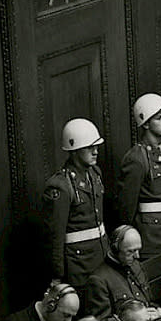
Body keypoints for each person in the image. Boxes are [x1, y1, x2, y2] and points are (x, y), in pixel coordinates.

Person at [115, 94, 161, 260]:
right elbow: (126, 207)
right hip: (153, 238)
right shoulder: (137, 158)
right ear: (145, 123)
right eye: (159, 118)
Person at [43, 118, 110, 287]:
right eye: (89, 147)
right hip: (79, 265)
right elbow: (55, 236)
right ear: (74, 150)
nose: (95, 151)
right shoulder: (61, 186)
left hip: (101, 256)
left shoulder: (94, 174)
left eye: (96, 146)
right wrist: (57, 274)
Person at [83, 225, 156, 321]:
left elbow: (148, 301)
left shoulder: (136, 266)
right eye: (131, 251)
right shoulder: (98, 280)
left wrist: (158, 311)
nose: (137, 256)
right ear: (115, 249)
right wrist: (134, 320)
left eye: (138, 250)